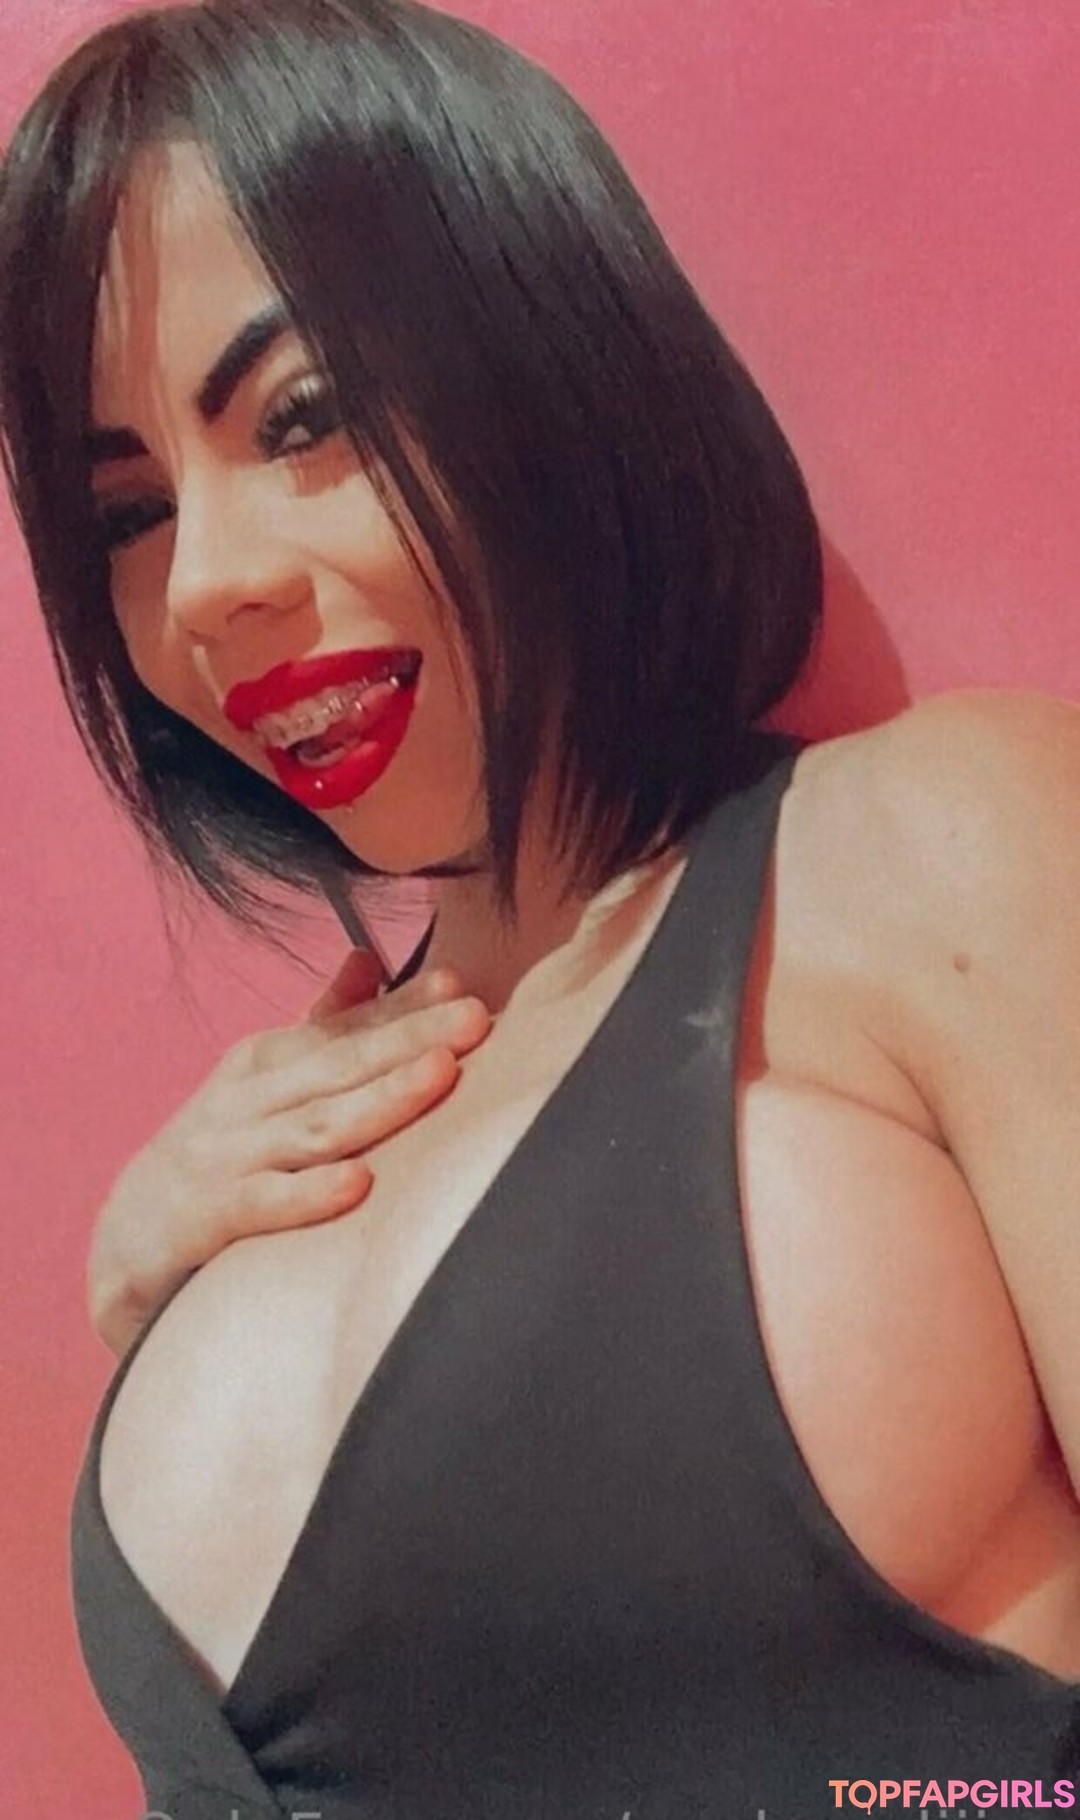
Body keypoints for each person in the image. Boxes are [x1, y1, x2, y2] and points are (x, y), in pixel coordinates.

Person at [2, 1, 1079, 1814]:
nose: (204, 588)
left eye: (304, 416)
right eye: (126, 515)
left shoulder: (934, 848)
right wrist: (136, 1293)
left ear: (547, 347)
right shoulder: (275, 1141)